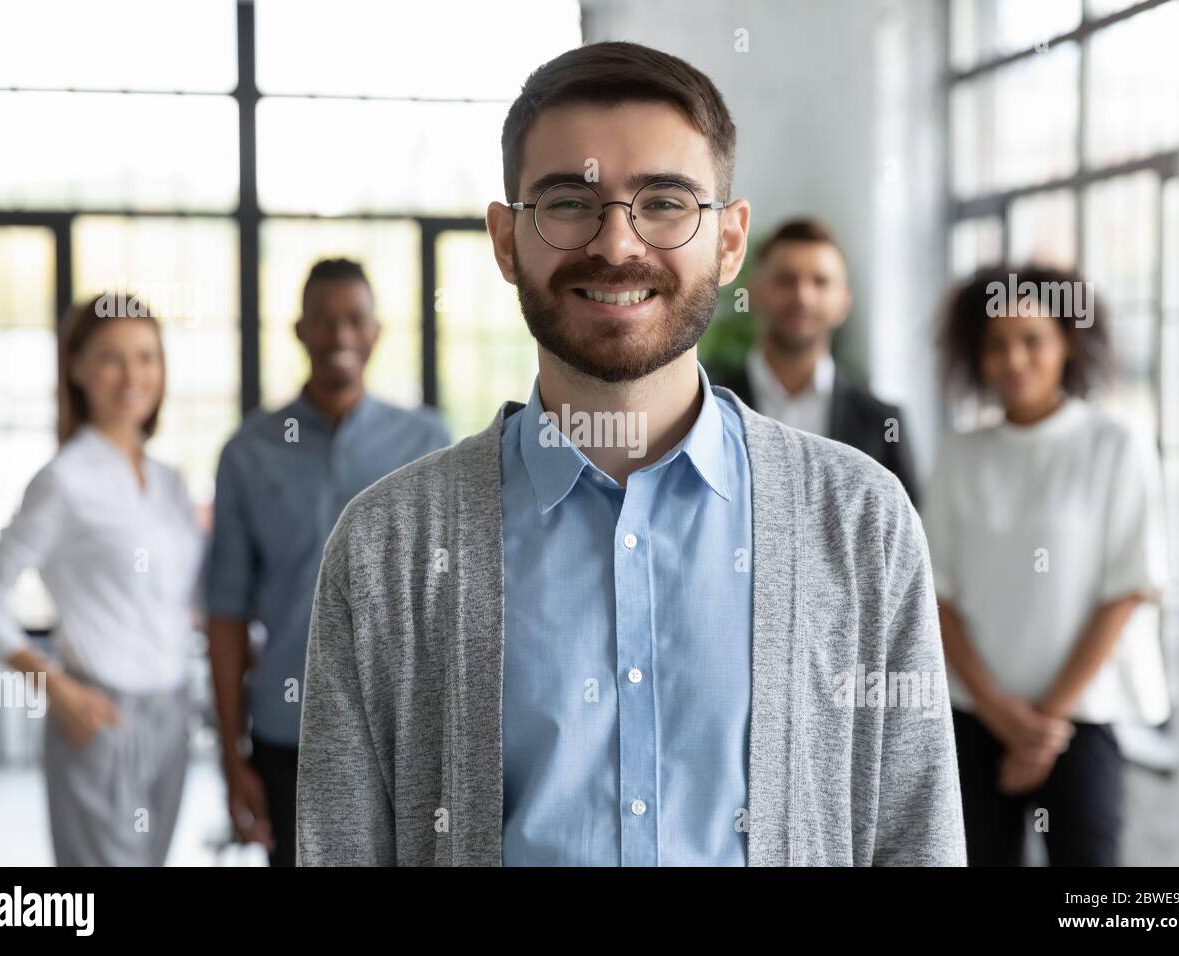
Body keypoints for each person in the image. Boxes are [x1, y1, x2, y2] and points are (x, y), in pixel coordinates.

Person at [296, 41, 965, 867]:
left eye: (665, 202)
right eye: (570, 203)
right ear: (507, 241)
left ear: (728, 240)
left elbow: (916, 840)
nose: (617, 244)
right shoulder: (386, 548)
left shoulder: (862, 522)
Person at [205, 258, 451, 867]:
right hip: (289, 735)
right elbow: (226, 614)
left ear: (375, 332)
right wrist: (231, 758)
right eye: (324, 320)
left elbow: (451, 599)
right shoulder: (248, 453)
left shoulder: (427, 444)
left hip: (406, 734)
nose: (340, 335)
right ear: (300, 331)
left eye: (354, 320)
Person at [924, 266, 1169, 866]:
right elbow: (938, 594)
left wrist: (1045, 725)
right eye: (996, 345)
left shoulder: (1114, 445)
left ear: (1067, 343)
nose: (1015, 359)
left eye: (1032, 339)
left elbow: (1128, 588)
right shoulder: (961, 453)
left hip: (1081, 720)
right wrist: (1001, 712)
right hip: (977, 718)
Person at [0, 295, 203, 866]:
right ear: (77, 368)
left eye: (147, 357)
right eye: (112, 359)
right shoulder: (64, 480)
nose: (132, 376)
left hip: (172, 713)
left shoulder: (170, 484)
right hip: (100, 712)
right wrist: (53, 685)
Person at [714, 218, 920, 505]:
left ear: (843, 303)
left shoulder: (881, 421)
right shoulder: (708, 409)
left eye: (820, 282)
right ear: (755, 293)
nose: (803, 296)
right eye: (786, 280)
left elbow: (906, 539)